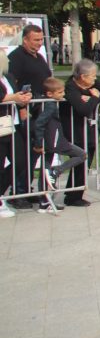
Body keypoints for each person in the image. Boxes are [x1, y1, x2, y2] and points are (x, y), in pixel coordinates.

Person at [59, 59, 100, 206]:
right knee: (79, 160)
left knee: (87, 160)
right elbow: (83, 109)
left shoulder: (91, 84)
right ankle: (72, 196)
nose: (95, 78)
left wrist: (92, 98)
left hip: (89, 129)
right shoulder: (70, 87)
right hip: (75, 130)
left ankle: (76, 194)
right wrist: (95, 97)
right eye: (92, 75)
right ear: (83, 76)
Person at [7, 24, 51, 204]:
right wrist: (22, 110)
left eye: (41, 40)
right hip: (24, 113)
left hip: (40, 112)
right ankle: (18, 192)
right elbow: (13, 84)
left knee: (34, 153)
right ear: (25, 40)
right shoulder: (16, 57)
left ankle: (26, 188)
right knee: (24, 154)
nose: (39, 43)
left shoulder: (39, 57)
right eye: (36, 40)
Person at [31, 77, 87, 212]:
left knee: (45, 168)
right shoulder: (49, 105)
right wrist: (38, 143)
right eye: (60, 92)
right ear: (50, 94)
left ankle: (44, 202)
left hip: (50, 140)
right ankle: (57, 171)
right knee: (82, 154)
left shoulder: (45, 102)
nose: (63, 95)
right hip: (54, 141)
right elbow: (39, 123)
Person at [0, 50, 34, 216]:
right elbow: (4, 96)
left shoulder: (8, 77)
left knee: (20, 161)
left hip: (11, 126)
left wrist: (22, 98)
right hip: (1, 127)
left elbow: (14, 95)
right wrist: (14, 97)